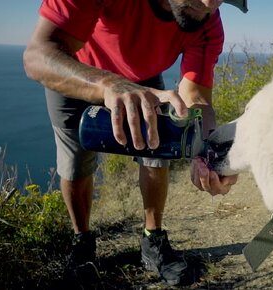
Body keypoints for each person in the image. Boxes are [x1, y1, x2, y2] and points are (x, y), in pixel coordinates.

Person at [23, 0, 245, 285]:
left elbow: (197, 98)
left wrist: (208, 150)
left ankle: (153, 241)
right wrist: (108, 85)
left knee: (158, 148)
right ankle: (83, 242)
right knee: (75, 162)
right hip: (73, 73)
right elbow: (38, 54)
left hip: (141, 80)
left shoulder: (207, 20)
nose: (209, 3)